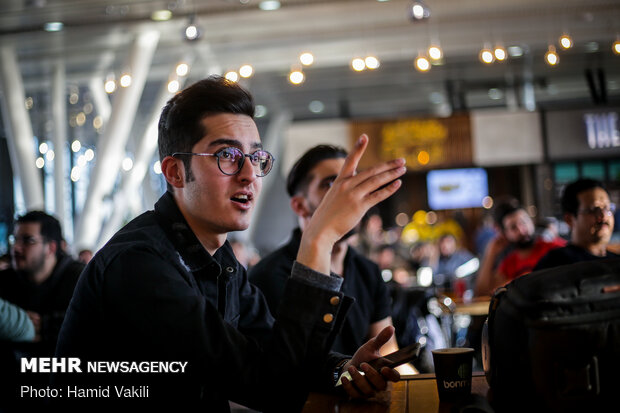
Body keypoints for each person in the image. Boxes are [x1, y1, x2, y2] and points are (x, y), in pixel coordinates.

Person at [54, 76, 406, 411]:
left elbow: (272, 350)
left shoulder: (218, 256)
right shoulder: (138, 265)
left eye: (255, 157)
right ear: (175, 172)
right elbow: (271, 387)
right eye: (227, 156)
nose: (249, 174)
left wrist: (343, 369)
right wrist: (319, 238)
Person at [249, 145, 406, 364]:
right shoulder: (268, 276)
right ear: (300, 205)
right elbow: (284, 370)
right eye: (331, 185)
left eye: (353, 184)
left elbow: (387, 353)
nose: (348, 195)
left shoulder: (367, 271)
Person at [0, 211, 84, 409]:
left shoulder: (79, 281)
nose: (16, 248)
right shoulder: (4, 282)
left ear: (51, 247)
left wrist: (50, 326)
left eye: (27, 240)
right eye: (15, 239)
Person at [474, 198, 564, 296]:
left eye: (524, 222)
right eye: (513, 227)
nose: (522, 230)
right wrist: (490, 252)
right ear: (505, 234)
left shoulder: (554, 248)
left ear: (532, 222)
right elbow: (482, 292)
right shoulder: (509, 264)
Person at [534, 179, 617, 270]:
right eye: (594, 210)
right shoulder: (554, 265)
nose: (604, 216)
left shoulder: (616, 262)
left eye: (608, 208)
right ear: (569, 219)